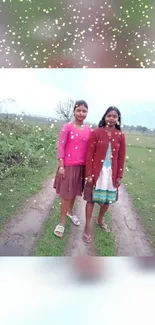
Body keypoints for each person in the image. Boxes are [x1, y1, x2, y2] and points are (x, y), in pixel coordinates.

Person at [83, 106, 126, 243]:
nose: (111, 118)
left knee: (107, 200)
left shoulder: (120, 136)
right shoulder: (96, 133)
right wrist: (89, 174)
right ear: (105, 117)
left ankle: (100, 220)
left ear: (118, 119)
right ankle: (87, 226)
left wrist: (119, 175)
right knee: (91, 199)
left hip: (111, 174)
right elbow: (89, 154)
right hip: (97, 172)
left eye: (114, 116)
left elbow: (121, 157)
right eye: (109, 116)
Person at [53, 100, 92, 238]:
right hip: (68, 166)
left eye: (84, 111)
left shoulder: (89, 130)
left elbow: (90, 149)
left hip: (81, 167)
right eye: (79, 110)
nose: (81, 113)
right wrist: (61, 165)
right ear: (74, 112)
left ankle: (70, 212)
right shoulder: (67, 127)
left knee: (75, 192)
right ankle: (62, 223)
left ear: (87, 113)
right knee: (66, 195)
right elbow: (61, 147)